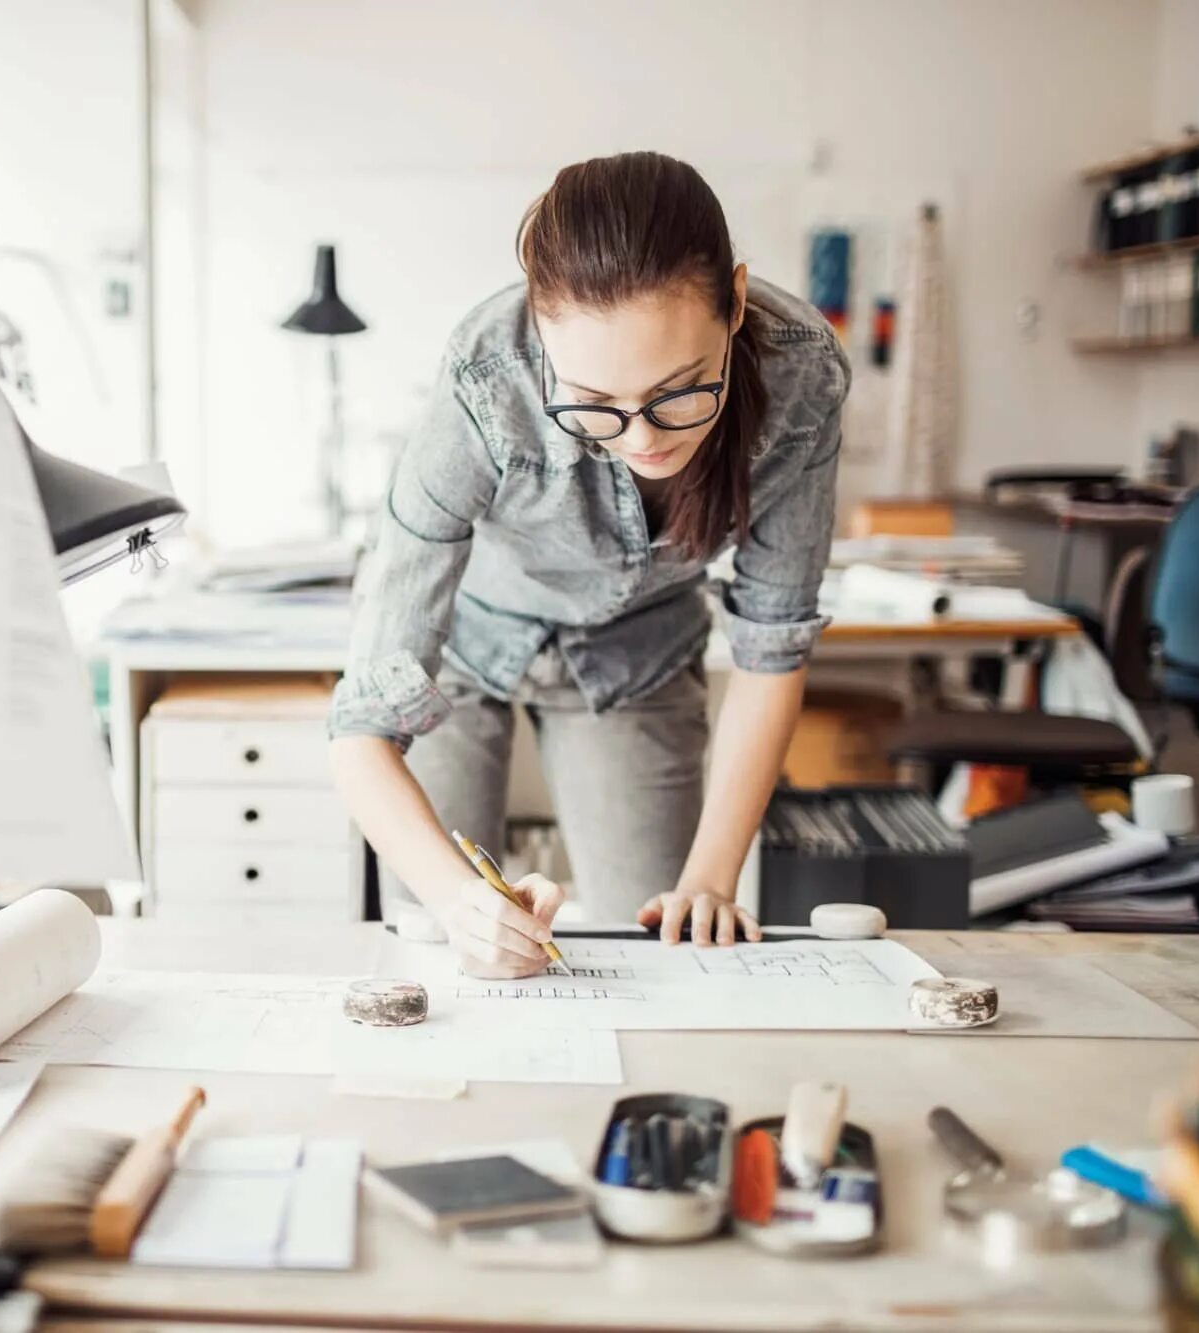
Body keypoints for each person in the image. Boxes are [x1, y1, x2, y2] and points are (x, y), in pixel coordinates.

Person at [329, 152, 850, 976]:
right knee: (442, 945)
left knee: (661, 944)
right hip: (462, 647)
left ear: (737, 302)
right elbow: (363, 727)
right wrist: (453, 898)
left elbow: (772, 647)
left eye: (679, 391)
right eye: (594, 405)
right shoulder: (485, 377)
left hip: (636, 654)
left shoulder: (801, 376)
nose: (643, 437)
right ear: (542, 338)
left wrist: (710, 883)